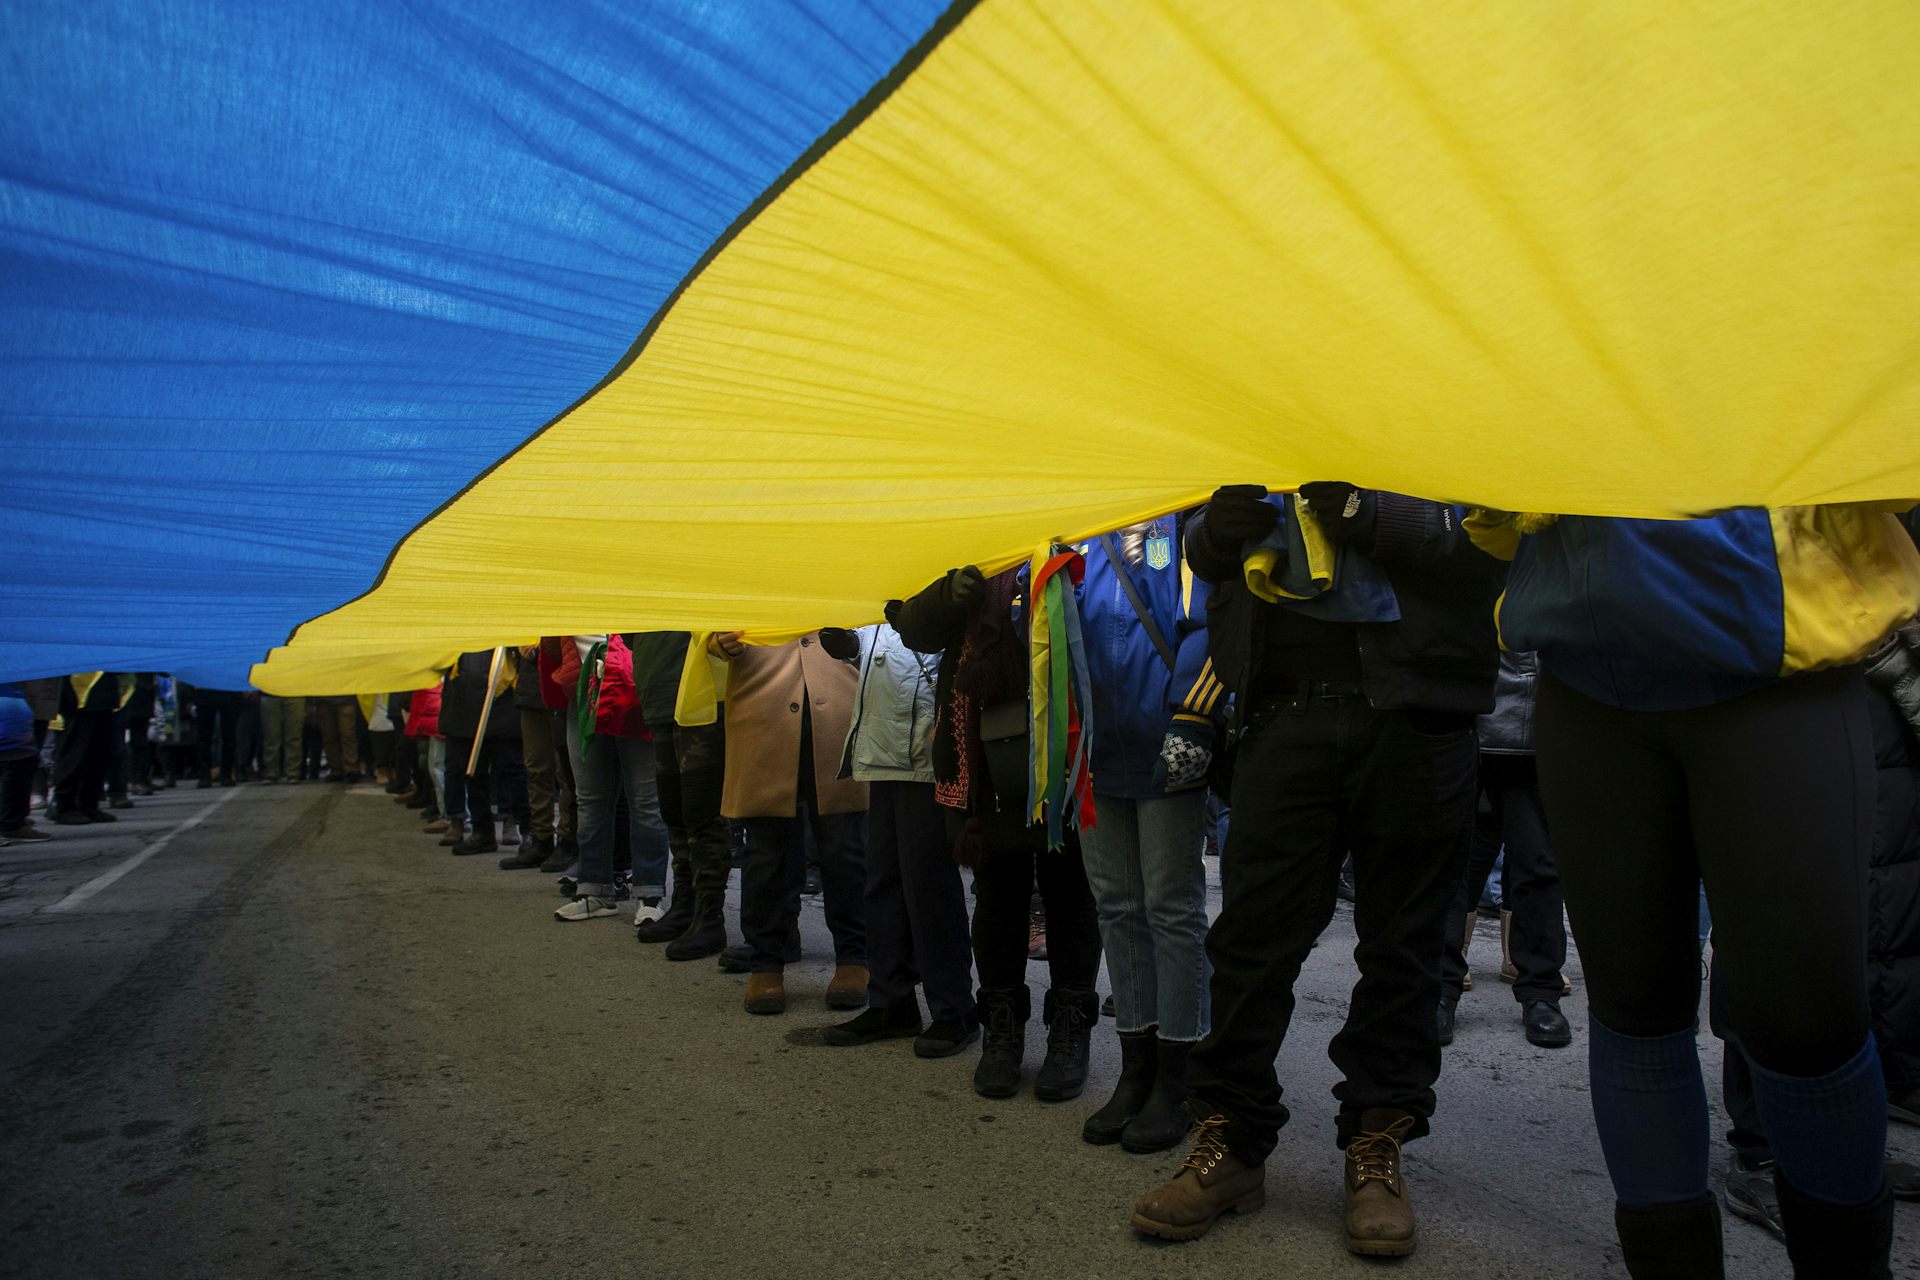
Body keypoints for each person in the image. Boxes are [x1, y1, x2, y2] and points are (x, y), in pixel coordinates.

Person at [1471, 503, 1920, 1278]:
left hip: (1782, 675)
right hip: (1592, 682)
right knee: (1634, 1010)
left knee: (1809, 1025)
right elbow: (1491, 513)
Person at [1132, 484, 1504, 1257]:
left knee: (1404, 946)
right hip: (1282, 709)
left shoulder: (1451, 402)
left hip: (1418, 711)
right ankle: (1230, 1142)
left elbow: (1488, 546)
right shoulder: (1264, 413)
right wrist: (1215, 530)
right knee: (1248, 944)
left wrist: (1365, 511)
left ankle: (1377, 1145)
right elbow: (1200, 546)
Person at [891, 564, 1103, 1103]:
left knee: (1071, 893)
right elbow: (914, 625)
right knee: (998, 894)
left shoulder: (1087, 530)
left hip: (1067, 736)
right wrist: (947, 592)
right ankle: (1002, 1035)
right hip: (983, 750)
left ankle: (1069, 1032)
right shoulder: (973, 533)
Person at [1075, 516, 1219, 1154]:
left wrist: (1194, 715)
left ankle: (1179, 1076)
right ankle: (1136, 1069)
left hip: (1169, 741)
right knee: (1118, 909)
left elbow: (1207, 621)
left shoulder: (1185, 520)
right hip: (1094, 751)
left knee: (1170, 908)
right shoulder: (1075, 526)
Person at [817, 624, 978, 1057]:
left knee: (928, 890)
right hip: (884, 749)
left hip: (924, 752)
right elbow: (878, 651)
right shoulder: (880, 578)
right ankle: (891, 1001)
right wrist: (852, 647)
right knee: (883, 886)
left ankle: (954, 1010)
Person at [708, 631, 868, 1015]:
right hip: (764, 703)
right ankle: (766, 963)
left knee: (845, 848)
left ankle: (855, 957)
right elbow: (708, 622)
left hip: (839, 704)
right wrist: (718, 640)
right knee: (766, 851)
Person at [1436, 649, 1571, 1049]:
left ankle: (1540, 993)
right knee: (1451, 863)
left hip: (1536, 723)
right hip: (1461, 711)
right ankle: (1441, 985)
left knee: (1538, 865)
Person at [550, 635, 670, 923]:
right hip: (585, 688)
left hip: (634, 686)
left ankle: (650, 894)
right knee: (590, 798)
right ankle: (594, 889)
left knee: (645, 799)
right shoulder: (566, 591)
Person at [628, 632, 733, 959]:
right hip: (659, 694)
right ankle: (686, 904)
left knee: (702, 812)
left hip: (699, 696)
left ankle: (709, 915)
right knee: (674, 810)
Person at [437, 651, 522, 857]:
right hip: (462, 702)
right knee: (469, 770)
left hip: (501, 702)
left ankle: (513, 820)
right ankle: (480, 830)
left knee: (509, 768)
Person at [52, 672, 128, 825]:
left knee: (99, 757)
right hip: (76, 700)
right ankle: (65, 807)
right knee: (73, 757)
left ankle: (89, 805)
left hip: (104, 700)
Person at [258, 692, 307, 785]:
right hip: (269, 693)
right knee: (271, 737)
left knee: (294, 736)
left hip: (295, 693)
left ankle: (293, 772)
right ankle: (271, 772)